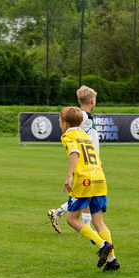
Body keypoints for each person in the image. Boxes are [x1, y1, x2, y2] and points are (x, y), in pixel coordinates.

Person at [58, 106, 119, 271]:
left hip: (84, 180)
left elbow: (74, 152)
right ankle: (112, 260)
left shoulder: (68, 135)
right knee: (99, 221)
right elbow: (98, 160)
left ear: (64, 123)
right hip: (99, 177)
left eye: (60, 121)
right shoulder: (85, 135)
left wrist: (69, 176)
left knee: (71, 219)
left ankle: (101, 245)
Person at [48, 85, 99, 233]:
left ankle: (59, 212)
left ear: (78, 100)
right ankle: (85, 226)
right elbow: (87, 140)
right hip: (85, 161)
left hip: (85, 159)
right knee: (86, 192)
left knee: (85, 192)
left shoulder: (81, 115)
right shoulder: (85, 118)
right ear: (93, 101)